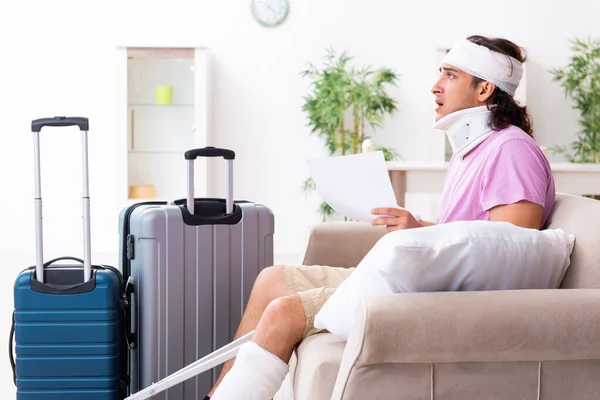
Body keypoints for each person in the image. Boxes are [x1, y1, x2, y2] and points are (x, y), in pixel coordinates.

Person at [206, 35, 556, 400]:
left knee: (284, 311)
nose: (435, 87)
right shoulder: (472, 151)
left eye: (450, 76)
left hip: (433, 297)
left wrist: (422, 239)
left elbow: (512, 250)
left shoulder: (511, 149)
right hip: (423, 280)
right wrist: (418, 227)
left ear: (484, 89)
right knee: (273, 279)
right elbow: (475, 238)